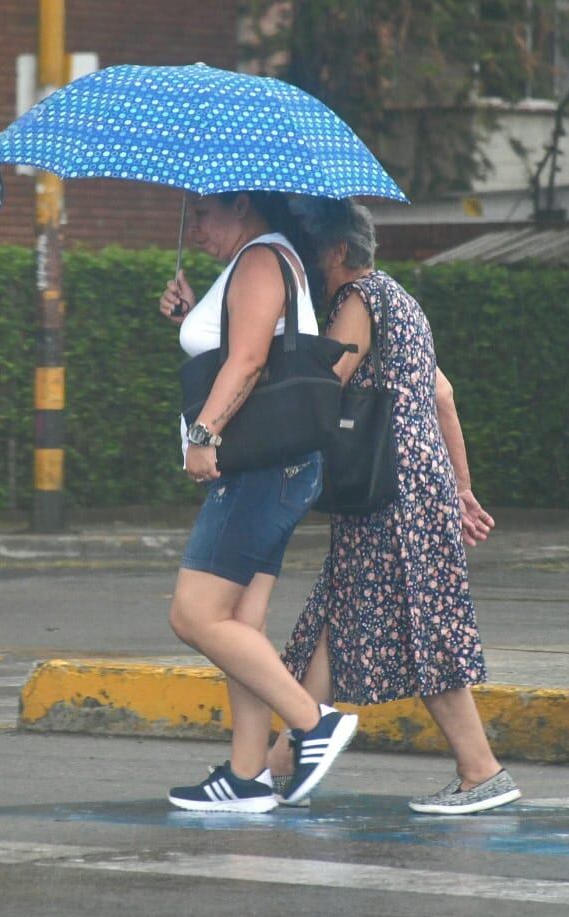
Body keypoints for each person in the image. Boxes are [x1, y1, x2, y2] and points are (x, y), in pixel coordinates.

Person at [266, 197, 518, 815]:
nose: (311, 266)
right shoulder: (403, 301)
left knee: (420, 625)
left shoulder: (359, 300)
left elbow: (327, 384)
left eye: (313, 253)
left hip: (389, 489)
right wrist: (459, 488)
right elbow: (444, 396)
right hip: (414, 482)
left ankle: (481, 771)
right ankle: (274, 769)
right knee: (336, 616)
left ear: (336, 252)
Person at [157, 190, 357, 813]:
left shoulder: (261, 261)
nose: (196, 226)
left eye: (204, 213)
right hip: (278, 467)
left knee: (194, 615)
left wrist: (203, 433)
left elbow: (247, 361)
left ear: (241, 203)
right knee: (239, 624)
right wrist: (191, 315)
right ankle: (248, 775)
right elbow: (240, 342)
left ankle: (313, 723)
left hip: (259, 468)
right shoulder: (264, 261)